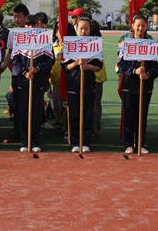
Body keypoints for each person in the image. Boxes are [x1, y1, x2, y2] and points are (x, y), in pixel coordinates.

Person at [117, 14, 158, 154]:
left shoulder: (151, 44)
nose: (140, 28)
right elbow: (121, 65)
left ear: (147, 26)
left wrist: (148, 74)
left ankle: (141, 142)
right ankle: (129, 143)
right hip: (129, 84)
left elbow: (156, 66)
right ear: (133, 26)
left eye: (143, 25)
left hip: (145, 85)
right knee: (129, 114)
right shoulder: (126, 43)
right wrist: (134, 71)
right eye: (138, 25)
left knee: (142, 115)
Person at [13, 15, 53, 152]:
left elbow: (49, 60)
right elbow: (15, 61)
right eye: (28, 25)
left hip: (38, 81)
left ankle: (35, 141)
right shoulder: (19, 39)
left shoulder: (44, 39)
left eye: (34, 25)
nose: (31, 28)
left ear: (38, 25)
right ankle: (25, 141)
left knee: (35, 112)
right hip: (23, 81)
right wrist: (25, 72)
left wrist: (37, 69)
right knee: (23, 112)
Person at [61, 16, 101, 153]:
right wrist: (76, 63)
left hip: (88, 86)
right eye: (81, 28)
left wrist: (88, 67)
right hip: (73, 85)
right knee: (74, 115)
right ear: (76, 29)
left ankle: (86, 141)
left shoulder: (94, 44)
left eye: (86, 28)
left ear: (90, 30)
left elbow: (98, 67)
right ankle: (75, 142)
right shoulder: (70, 44)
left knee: (88, 115)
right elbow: (65, 67)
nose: (83, 31)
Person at [0, 4, 29, 144]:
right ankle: (17, 133)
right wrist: (3, 67)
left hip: (32, 73)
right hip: (17, 74)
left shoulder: (35, 33)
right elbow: (10, 53)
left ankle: (31, 133)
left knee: (30, 105)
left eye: (19, 16)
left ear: (26, 17)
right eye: (15, 16)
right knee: (17, 105)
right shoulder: (13, 33)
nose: (16, 19)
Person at [90, 20, 107, 141]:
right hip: (85, 77)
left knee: (94, 106)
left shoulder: (95, 43)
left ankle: (94, 130)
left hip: (95, 77)